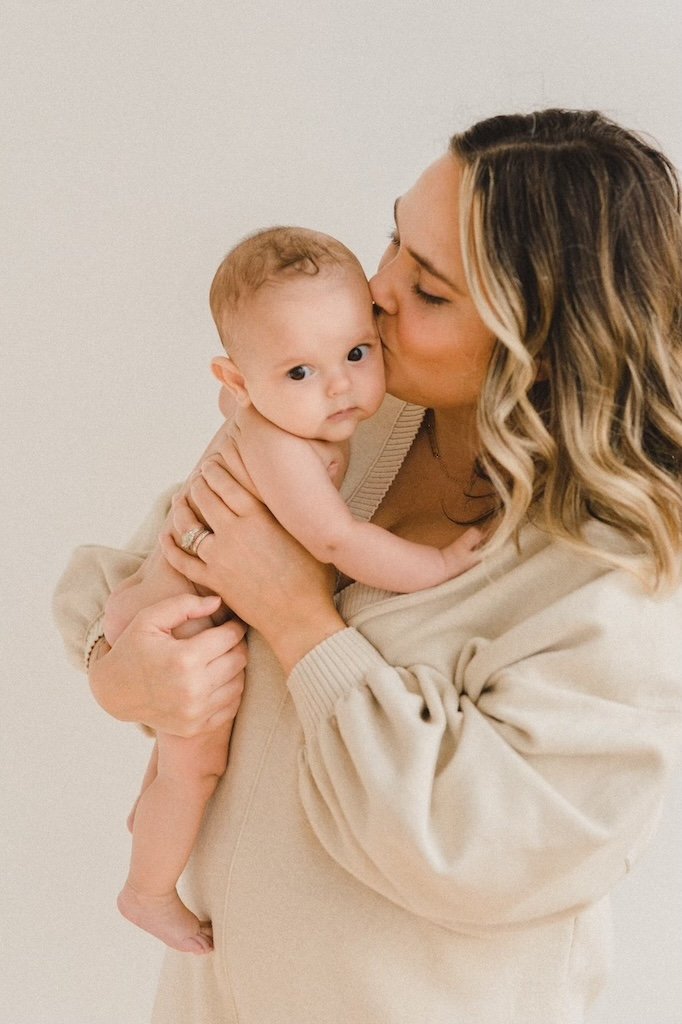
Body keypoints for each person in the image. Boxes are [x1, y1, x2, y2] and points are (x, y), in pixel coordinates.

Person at [54, 109, 682, 1023]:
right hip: (215, 995)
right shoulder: (345, 413)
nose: (376, 290)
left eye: (429, 292)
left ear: (543, 348)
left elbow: (478, 852)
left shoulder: (615, 574)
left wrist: (300, 617)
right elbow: (149, 569)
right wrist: (124, 675)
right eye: (394, 237)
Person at [104, 226, 483, 956]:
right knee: (195, 768)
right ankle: (147, 890)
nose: (340, 386)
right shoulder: (281, 446)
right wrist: (433, 568)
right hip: (180, 621)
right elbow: (337, 541)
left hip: (166, 593)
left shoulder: (282, 415)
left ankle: (149, 818)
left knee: (175, 770)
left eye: (355, 353)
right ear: (238, 384)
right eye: (300, 374)